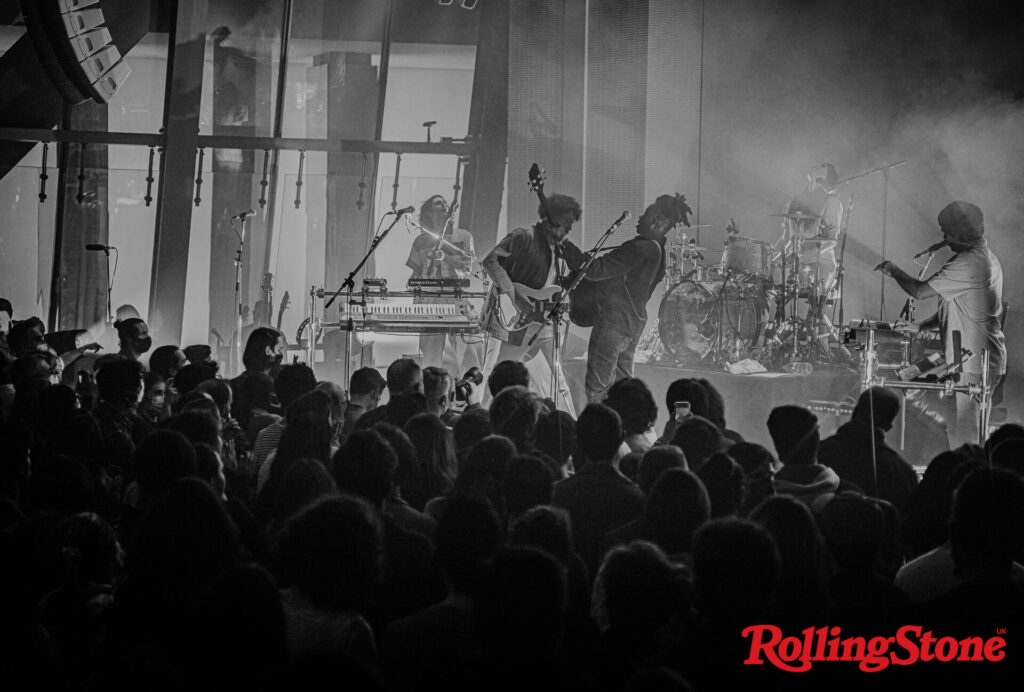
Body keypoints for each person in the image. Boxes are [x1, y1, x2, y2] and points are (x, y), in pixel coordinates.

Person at [875, 201, 1005, 445]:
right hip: (961, 357)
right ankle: (950, 430)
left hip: (974, 362)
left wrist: (894, 271)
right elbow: (957, 305)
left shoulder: (969, 263)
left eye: (947, 232)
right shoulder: (980, 257)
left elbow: (920, 291)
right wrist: (920, 327)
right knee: (910, 380)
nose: (944, 237)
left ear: (961, 234)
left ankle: (970, 471)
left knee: (967, 438)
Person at [577, 194, 691, 403]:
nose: (640, 218)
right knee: (623, 390)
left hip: (614, 323)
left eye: (646, 214)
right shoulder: (659, 252)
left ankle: (599, 430)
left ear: (660, 221)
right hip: (633, 324)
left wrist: (569, 251)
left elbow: (595, 269)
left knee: (597, 388)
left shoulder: (640, 248)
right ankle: (623, 429)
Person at [480, 192, 586, 414]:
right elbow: (490, 260)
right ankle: (486, 418)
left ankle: (570, 428)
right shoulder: (523, 236)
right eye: (564, 224)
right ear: (550, 219)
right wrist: (514, 294)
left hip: (544, 321)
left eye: (570, 227)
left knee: (558, 382)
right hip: (522, 321)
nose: (567, 231)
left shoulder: (559, 249)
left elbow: (551, 284)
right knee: (503, 377)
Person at [406, 195, 484, 375]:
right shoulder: (421, 241)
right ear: (428, 214)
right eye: (437, 203)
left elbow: (466, 267)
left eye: (444, 202)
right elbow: (416, 273)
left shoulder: (463, 236)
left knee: (468, 353)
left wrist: (445, 257)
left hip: (455, 297)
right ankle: (431, 395)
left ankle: (471, 393)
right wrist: (411, 285)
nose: (443, 205)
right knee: (431, 356)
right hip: (430, 300)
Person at [774, 162, 843, 297]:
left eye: (823, 166)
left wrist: (801, 257)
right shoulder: (794, 201)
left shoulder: (832, 202)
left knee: (815, 303)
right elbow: (786, 238)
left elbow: (831, 241)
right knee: (766, 281)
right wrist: (772, 256)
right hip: (794, 260)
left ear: (826, 178)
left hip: (820, 260)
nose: (817, 165)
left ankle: (817, 313)